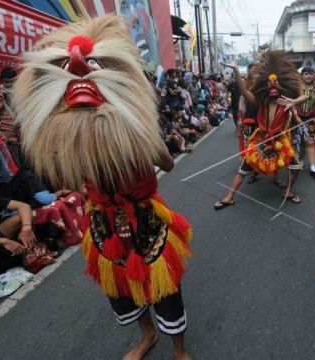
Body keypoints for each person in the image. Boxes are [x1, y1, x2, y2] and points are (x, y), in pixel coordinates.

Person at [13, 16, 192, 359]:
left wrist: (147, 143)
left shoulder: (136, 131)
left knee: (164, 285)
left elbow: (165, 162)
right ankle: (147, 336)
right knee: (120, 285)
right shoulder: (68, 136)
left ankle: (179, 349)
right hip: (102, 221)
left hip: (145, 217)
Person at [214, 51, 306, 210]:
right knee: (244, 168)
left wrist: (294, 101)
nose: (272, 88)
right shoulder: (258, 101)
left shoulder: (286, 102)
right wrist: (236, 70)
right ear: (265, 87)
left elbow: (305, 97)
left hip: (279, 140)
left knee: (296, 167)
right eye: (270, 86)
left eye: (276, 85)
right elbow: (243, 92)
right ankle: (229, 197)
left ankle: (288, 191)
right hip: (261, 140)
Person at [0, 179, 36, 316]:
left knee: (24, 217)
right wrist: (4, 241)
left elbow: (23, 206)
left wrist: (26, 228)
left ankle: (30, 253)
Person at [296, 66, 315, 178]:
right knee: (297, 143)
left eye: (310, 73)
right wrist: (294, 117)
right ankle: (298, 163)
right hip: (296, 119)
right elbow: (292, 103)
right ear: (302, 75)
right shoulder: (296, 86)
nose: (309, 75)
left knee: (310, 142)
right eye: (306, 73)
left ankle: (313, 167)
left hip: (311, 119)